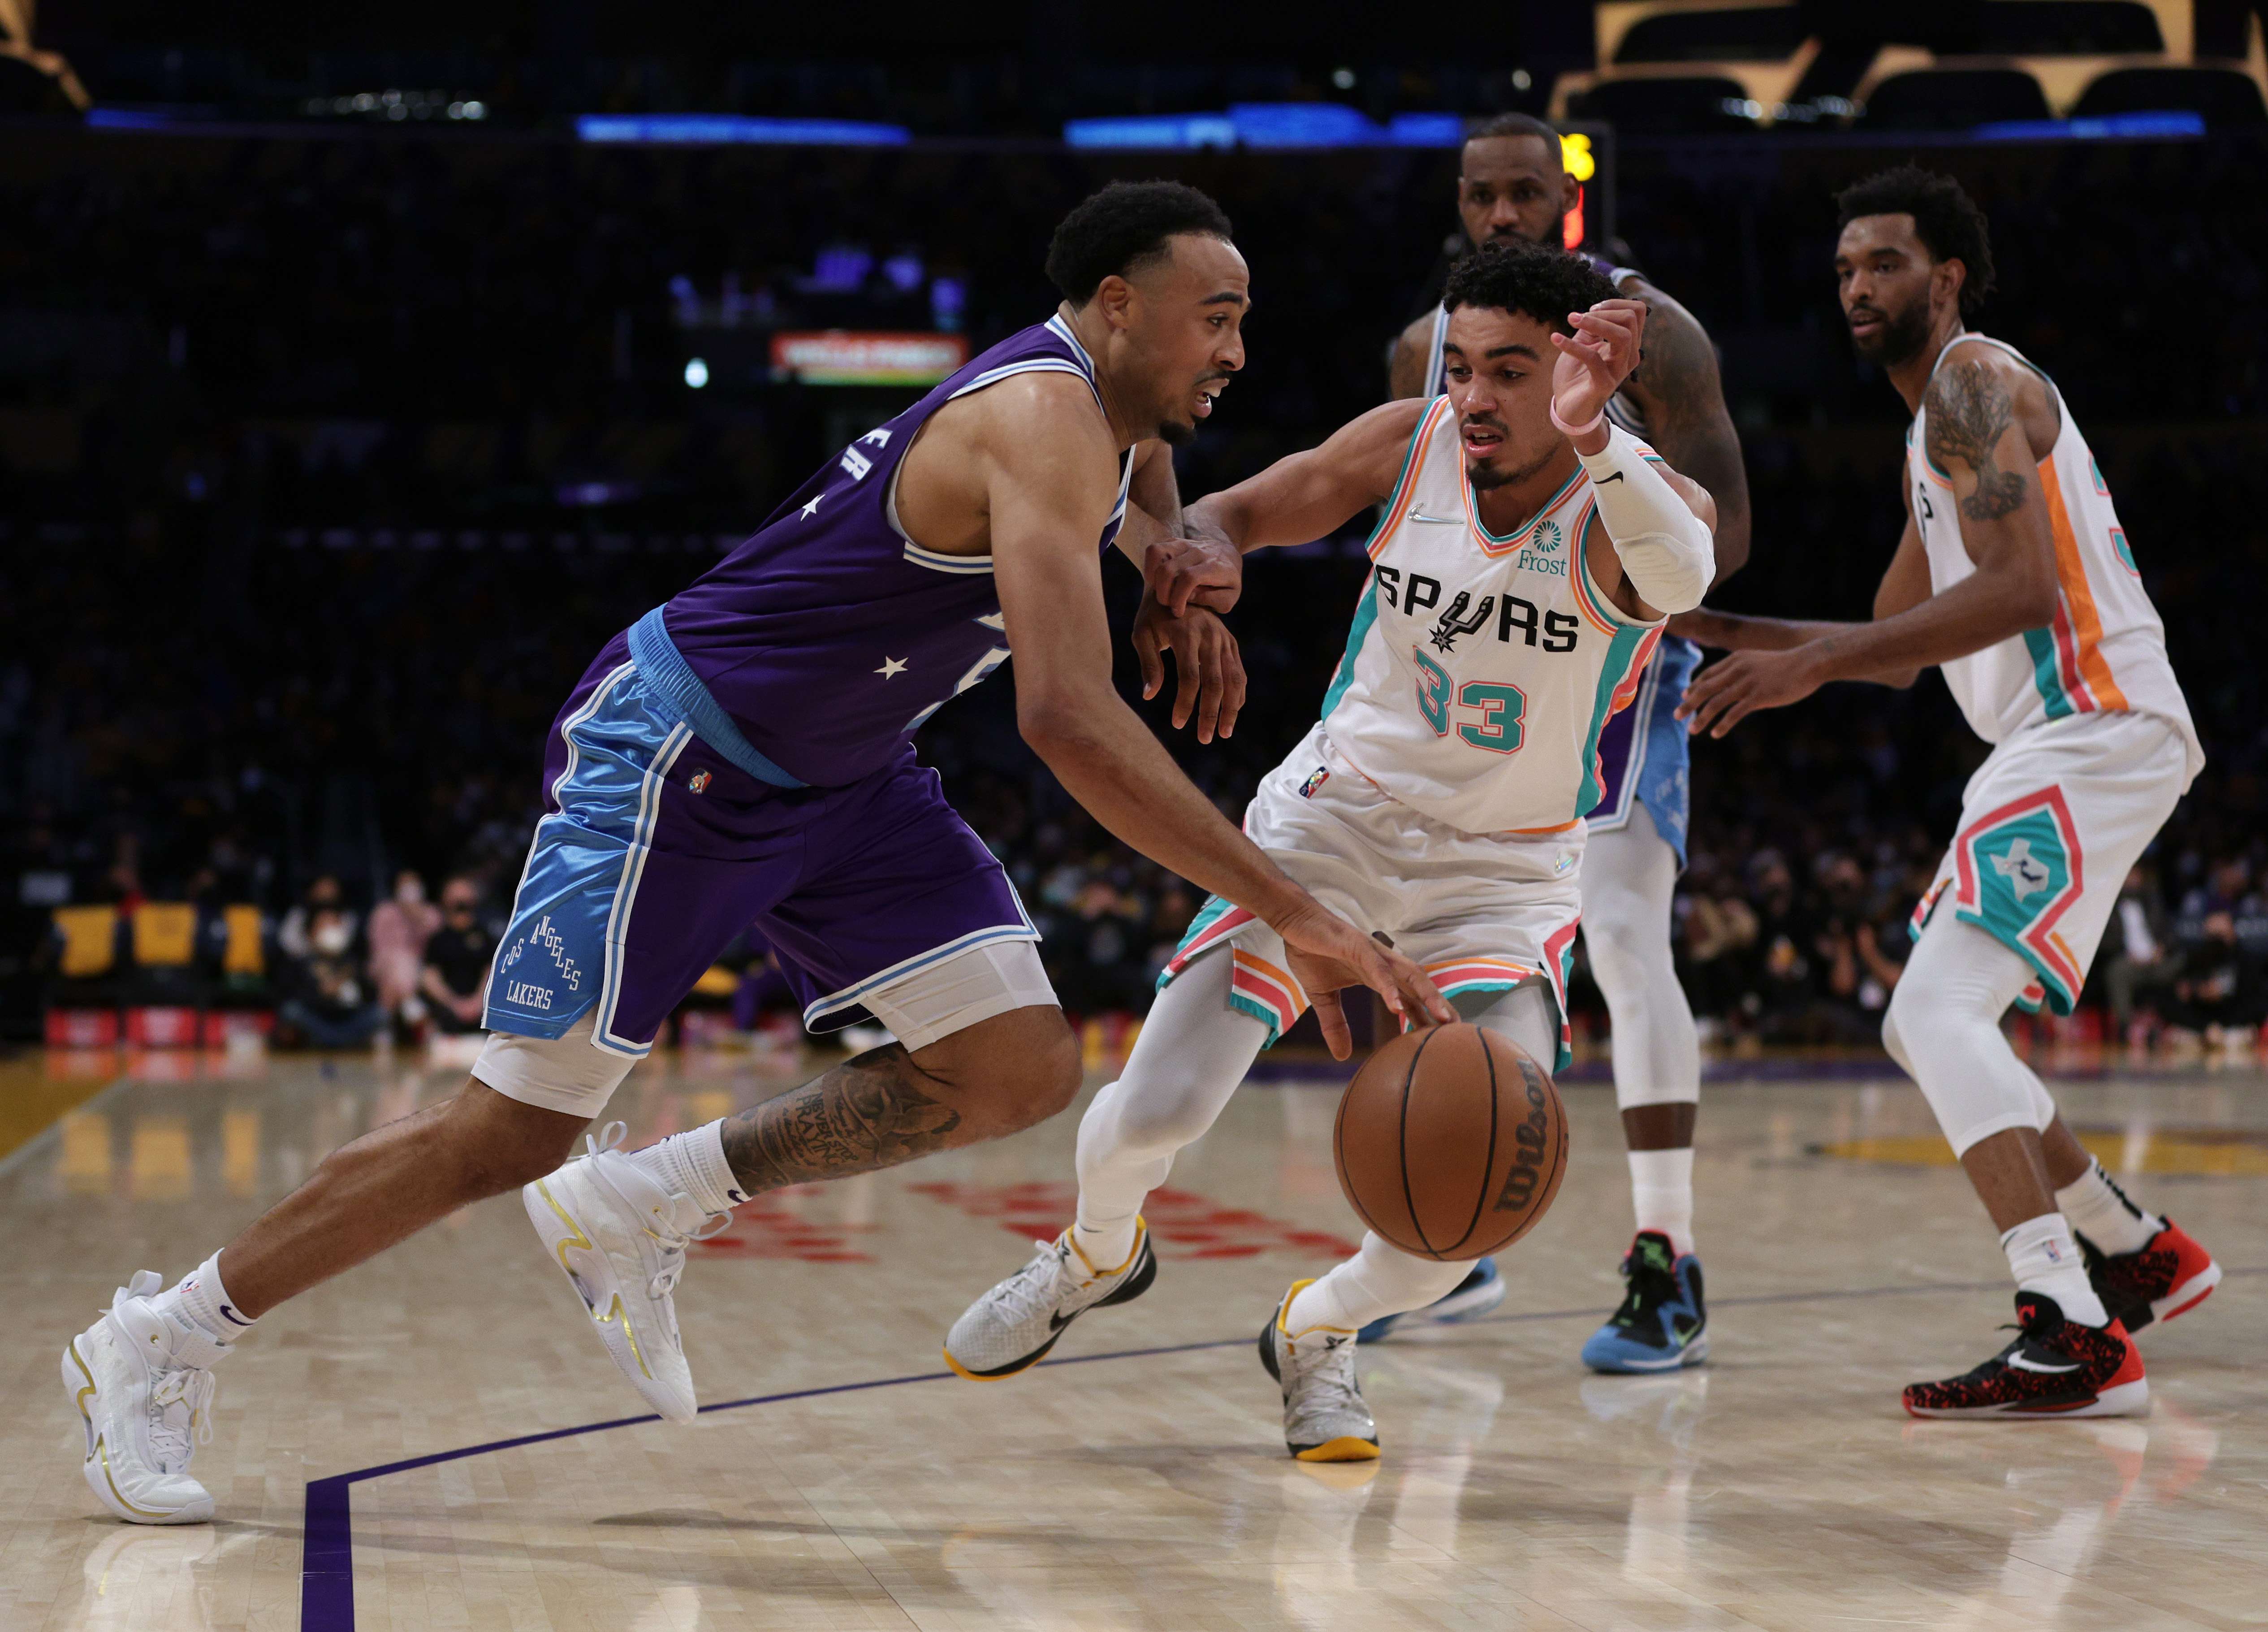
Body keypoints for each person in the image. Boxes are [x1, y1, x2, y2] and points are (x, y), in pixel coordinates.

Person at [60, 181, 1452, 1525]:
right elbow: (1067, 719)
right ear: (1111, 305)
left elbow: (1143, 463)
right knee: (510, 1127)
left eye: (1244, 318)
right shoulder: (1039, 417)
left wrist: (1159, 548)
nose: (1237, 351)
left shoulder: (1096, 412)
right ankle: (160, 1335)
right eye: (1213, 316)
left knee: (1016, 1061)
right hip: (683, 750)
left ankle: (645, 1198)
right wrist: (1298, 910)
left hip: (848, 776)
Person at [946, 240, 1718, 1460]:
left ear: (1576, 372)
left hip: (1502, 878)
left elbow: (1682, 577)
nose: (1469, 397)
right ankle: (1095, 1252)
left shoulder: (1637, 500)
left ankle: (1319, 1330)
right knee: (1152, 1112)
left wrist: (1590, 435)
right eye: (1459, 365)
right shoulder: (1408, 439)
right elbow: (1232, 508)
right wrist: (1197, 560)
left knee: (1460, 1215)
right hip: (1333, 823)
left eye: (1507, 372)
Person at [1672, 165, 2220, 1417]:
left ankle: (2071, 1328)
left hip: (2090, 722)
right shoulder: (1929, 430)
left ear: (1947, 275)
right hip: (2068, 738)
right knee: (1943, 1013)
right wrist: (1722, 627)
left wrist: (1807, 660)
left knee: (1930, 1015)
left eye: (1882, 264)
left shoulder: (1972, 382)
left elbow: (2019, 589)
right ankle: (2130, 1249)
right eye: (1843, 271)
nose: (1856, 288)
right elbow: (1900, 636)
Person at [1380, 112, 1752, 1371]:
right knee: (1425, 921)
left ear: (1567, 201)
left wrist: (1599, 578)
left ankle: (1668, 1261)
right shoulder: (1418, 351)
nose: (1500, 216)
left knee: (1625, 939)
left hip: (1617, 665)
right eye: (1480, 195)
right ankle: (1451, 1242)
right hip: (1470, 675)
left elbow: (1725, 535)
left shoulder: (1655, 334)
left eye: (1523, 193)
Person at [417, 877, 494, 1035]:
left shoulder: (485, 936)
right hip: (448, 1011)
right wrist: (454, 1004)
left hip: (481, 1009)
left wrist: (477, 1002)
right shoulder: (438, 940)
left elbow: (491, 971)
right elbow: (430, 978)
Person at [367, 869, 441, 1023]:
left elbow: (436, 947)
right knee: (400, 964)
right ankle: (410, 1004)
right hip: (385, 966)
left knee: (397, 978)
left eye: (413, 885)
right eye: (405, 886)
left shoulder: (431, 914)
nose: (409, 890)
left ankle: (384, 1026)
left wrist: (416, 917)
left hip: (420, 968)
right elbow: (377, 950)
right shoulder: (383, 912)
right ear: (396, 889)